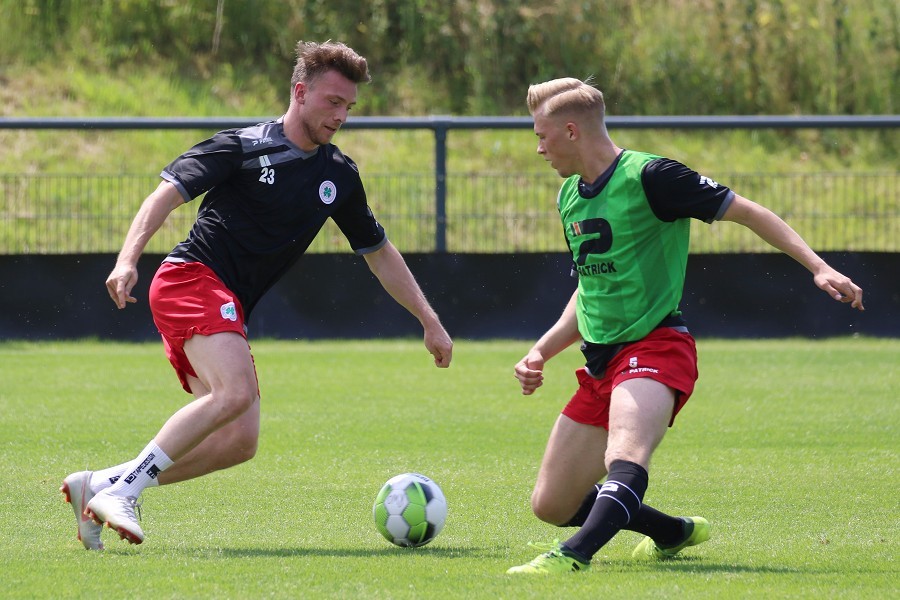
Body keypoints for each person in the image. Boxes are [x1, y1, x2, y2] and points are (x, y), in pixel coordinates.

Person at [60, 40, 453, 550]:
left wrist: (428, 319)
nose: (341, 116)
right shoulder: (241, 146)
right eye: (333, 102)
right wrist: (127, 259)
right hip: (189, 278)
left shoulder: (338, 174)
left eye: (349, 106)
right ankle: (126, 492)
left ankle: (101, 484)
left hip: (224, 300)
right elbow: (165, 195)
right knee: (236, 393)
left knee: (238, 442)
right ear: (300, 92)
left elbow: (378, 252)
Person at [506, 78, 864, 574]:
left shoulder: (652, 176)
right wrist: (542, 349)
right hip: (601, 363)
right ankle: (672, 532)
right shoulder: (570, 194)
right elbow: (590, 288)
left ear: (571, 131)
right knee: (551, 504)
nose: (539, 149)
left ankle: (573, 556)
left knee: (625, 454)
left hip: (656, 347)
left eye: (542, 136)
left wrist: (819, 267)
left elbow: (749, 212)